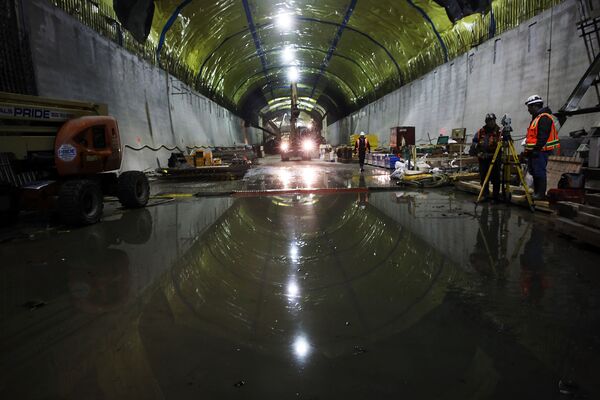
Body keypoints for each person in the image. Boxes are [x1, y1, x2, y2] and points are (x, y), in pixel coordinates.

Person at [524, 95, 561, 200]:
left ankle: (540, 194)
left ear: (535, 106)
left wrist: (536, 150)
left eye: (529, 107)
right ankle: (536, 192)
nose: (528, 109)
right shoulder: (537, 118)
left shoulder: (544, 118)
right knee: (535, 172)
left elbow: (543, 137)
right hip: (535, 151)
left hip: (540, 152)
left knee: (539, 172)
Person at [471, 113, 502, 202]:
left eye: (493, 121)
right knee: (484, 177)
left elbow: (505, 143)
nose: (491, 122)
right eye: (489, 121)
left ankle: (495, 197)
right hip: (483, 158)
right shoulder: (481, 131)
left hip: (495, 158)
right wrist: (478, 153)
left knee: (496, 178)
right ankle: (485, 195)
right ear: (486, 122)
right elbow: (474, 143)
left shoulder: (499, 131)